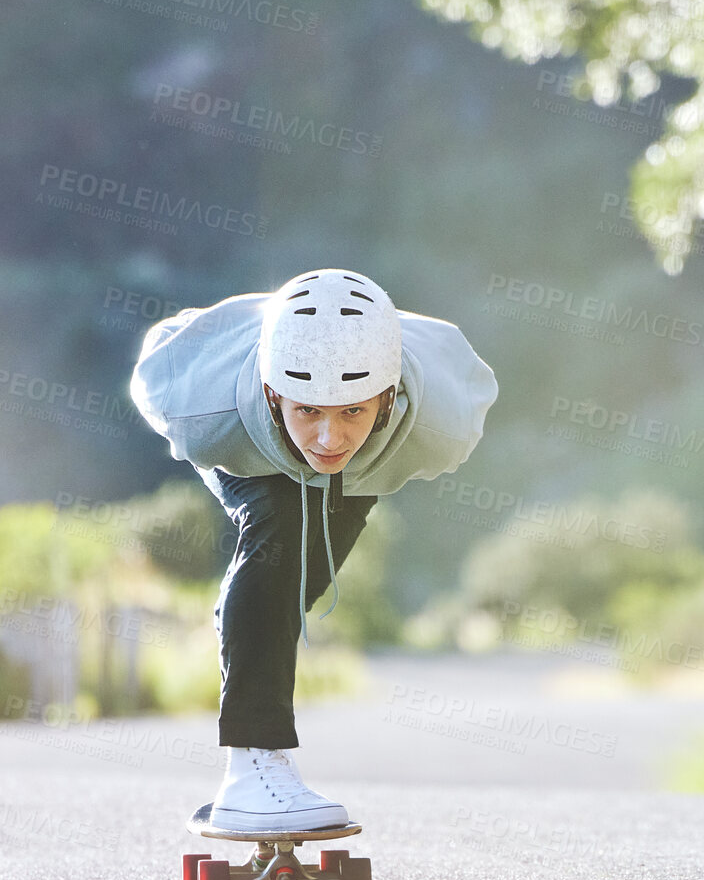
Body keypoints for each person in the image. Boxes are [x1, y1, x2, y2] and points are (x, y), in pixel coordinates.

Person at [131, 269, 497, 830]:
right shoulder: (200, 414)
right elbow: (154, 370)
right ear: (277, 395)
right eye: (309, 411)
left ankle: (244, 609)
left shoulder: (443, 422)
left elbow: (358, 430)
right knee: (279, 527)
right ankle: (251, 770)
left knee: (297, 581)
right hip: (248, 435)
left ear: (386, 397)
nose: (328, 439)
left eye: (351, 411)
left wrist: (253, 608)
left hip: (372, 459)